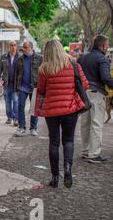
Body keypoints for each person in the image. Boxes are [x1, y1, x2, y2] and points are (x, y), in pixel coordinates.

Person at [35, 40, 89, 188]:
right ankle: (67, 169)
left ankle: (55, 178)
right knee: (69, 140)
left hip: (51, 110)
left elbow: (41, 89)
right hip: (70, 109)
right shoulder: (73, 65)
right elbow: (84, 84)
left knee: (53, 141)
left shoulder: (44, 69)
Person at [78, 34, 113, 163]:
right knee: (96, 123)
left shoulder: (82, 58)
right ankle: (94, 154)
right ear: (103, 46)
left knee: (85, 123)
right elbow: (105, 77)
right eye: (107, 45)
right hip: (96, 93)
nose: (107, 47)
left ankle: (86, 151)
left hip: (83, 93)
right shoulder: (102, 59)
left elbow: (76, 76)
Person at [14, 40, 43, 137]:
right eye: (23, 47)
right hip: (22, 87)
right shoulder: (20, 59)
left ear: (31, 48)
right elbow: (16, 74)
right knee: (20, 106)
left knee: (34, 108)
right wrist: (16, 88)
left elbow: (43, 74)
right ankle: (22, 127)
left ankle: (33, 128)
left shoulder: (39, 58)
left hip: (34, 87)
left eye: (26, 47)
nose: (24, 49)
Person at [0, 40, 20, 126]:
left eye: (14, 45)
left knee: (16, 101)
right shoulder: (3, 57)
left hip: (16, 84)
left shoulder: (20, 57)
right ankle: (9, 117)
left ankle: (16, 118)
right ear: (9, 47)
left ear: (16, 46)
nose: (13, 47)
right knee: (8, 102)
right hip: (7, 83)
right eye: (11, 45)